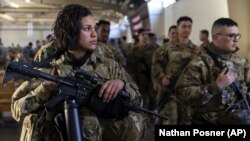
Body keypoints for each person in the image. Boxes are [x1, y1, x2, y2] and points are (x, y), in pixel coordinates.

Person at [11, 4, 146, 141]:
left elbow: (139, 102)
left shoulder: (109, 67)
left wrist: (121, 85)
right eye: (87, 29)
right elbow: (16, 110)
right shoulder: (48, 67)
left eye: (94, 28)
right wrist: (44, 89)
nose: (94, 34)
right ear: (71, 31)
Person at [175, 18, 250, 124]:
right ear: (216, 37)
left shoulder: (240, 61)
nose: (236, 40)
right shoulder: (199, 62)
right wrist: (216, 86)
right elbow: (182, 94)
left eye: (237, 36)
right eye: (231, 36)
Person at [156, 16, 198, 125]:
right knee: (170, 121)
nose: (186, 29)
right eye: (183, 26)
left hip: (189, 93)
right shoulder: (166, 47)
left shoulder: (197, 50)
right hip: (171, 91)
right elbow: (157, 64)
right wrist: (162, 77)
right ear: (178, 28)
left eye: (189, 27)